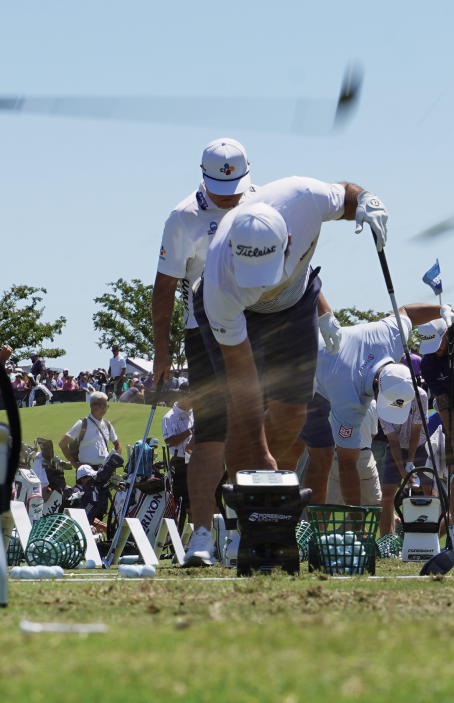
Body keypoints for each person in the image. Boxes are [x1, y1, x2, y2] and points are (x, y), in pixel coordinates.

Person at [196, 176, 388, 493]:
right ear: (231, 246)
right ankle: (245, 512)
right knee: (242, 422)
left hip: (296, 304)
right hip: (243, 316)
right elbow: (241, 376)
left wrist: (368, 200)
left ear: (288, 238)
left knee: (292, 414)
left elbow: (347, 196)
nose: (260, 285)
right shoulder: (220, 287)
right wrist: (260, 451)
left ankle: (269, 498)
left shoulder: (305, 199)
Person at [153, 138, 258, 567]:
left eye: (236, 187)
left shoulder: (261, 201)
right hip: (205, 333)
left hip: (257, 328)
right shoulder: (183, 217)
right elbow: (163, 288)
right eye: (221, 189)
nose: (230, 197)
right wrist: (161, 351)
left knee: (251, 433)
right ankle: (200, 536)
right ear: (203, 177)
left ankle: (241, 532)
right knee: (211, 434)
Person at [298, 304, 446, 505]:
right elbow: (347, 464)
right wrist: (357, 523)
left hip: (323, 363)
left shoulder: (391, 338)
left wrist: (442, 309)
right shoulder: (349, 399)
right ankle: (286, 519)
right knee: (320, 454)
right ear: (377, 384)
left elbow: (407, 312)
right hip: (298, 369)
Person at [378, 384, 429, 535]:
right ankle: (386, 541)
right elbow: (392, 441)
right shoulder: (382, 401)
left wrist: (410, 462)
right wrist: (402, 470)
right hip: (396, 450)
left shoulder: (421, 395)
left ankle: (427, 537)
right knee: (386, 496)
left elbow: (416, 431)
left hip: (420, 447)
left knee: (429, 493)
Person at [326, 400, 381, 507]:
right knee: (377, 504)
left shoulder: (333, 400)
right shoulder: (371, 402)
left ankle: (320, 525)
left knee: (328, 505)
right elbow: (373, 434)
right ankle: (392, 522)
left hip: (338, 456)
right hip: (363, 456)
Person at [58, 392, 122, 470]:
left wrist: (114, 461)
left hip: (105, 469)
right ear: (92, 406)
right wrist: (74, 464)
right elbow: (63, 444)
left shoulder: (107, 424)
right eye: (102, 406)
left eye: (106, 406)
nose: (104, 409)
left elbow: (118, 445)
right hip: (86, 472)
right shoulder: (82, 424)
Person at [161, 383, 194, 525]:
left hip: (194, 462)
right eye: (190, 397)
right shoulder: (170, 417)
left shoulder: (194, 413)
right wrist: (191, 431)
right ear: (180, 396)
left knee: (193, 505)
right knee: (179, 505)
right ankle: (177, 540)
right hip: (179, 463)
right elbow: (170, 441)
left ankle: (192, 538)